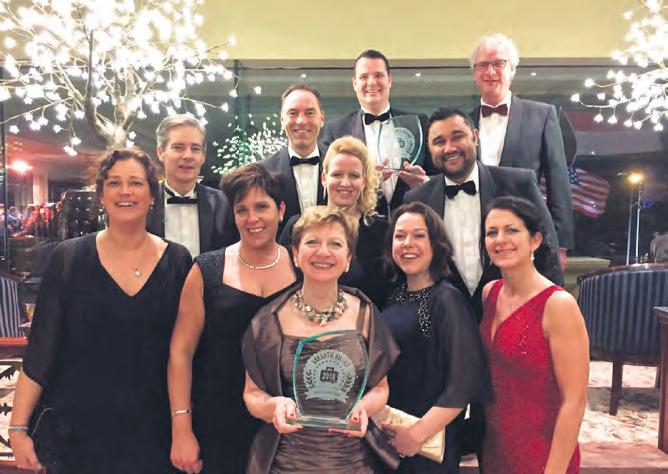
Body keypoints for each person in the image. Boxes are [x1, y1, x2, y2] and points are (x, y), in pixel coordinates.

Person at [9, 148, 192, 474]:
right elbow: (40, 352)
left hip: (155, 431)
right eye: (114, 183)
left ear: (152, 195)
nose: (125, 191)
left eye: (136, 183)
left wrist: (184, 425)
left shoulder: (178, 261)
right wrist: (18, 428)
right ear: (101, 195)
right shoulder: (68, 258)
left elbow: (186, 353)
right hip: (79, 434)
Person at [242, 206, 399, 473]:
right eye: (312, 242)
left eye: (335, 244)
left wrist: (364, 408)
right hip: (287, 464)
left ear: (348, 259)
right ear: (295, 254)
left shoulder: (366, 314)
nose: (323, 252)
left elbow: (380, 389)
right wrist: (274, 406)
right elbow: (252, 394)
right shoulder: (268, 320)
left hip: (353, 463)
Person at [168, 163, 296, 474]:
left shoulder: (302, 268)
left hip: (288, 423)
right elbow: (181, 352)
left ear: (280, 210)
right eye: (242, 210)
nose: (252, 219)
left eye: (261, 207)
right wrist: (181, 428)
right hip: (217, 421)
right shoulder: (206, 270)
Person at [404, 106, 563, 321]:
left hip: (515, 316)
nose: (449, 148)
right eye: (439, 141)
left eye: (457, 136)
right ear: (429, 149)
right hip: (445, 323)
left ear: (475, 137)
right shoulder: (416, 199)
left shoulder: (518, 183)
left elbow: (548, 254)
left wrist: (545, 313)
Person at [480, 196, 588, 473]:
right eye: (492, 232)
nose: (500, 240)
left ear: (535, 240)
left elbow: (574, 402)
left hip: (544, 453)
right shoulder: (490, 293)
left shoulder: (558, 305)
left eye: (511, 230)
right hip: (496, 448)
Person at [381, 202, 490, 473]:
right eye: (399, 236)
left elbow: (464, 383)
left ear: (436, 243)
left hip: (427, 444)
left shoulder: (446, 299)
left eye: (419, 235)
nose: (407, 243)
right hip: (393, 438)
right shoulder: (395, 296)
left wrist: (417, 434)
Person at [469, 34, 574, 265]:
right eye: (482, 65)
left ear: (512, 69)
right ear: (474, 73)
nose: (490, 72)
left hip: (526, 236)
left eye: (498, 63)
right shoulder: (464, 122)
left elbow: (558, 179)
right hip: (475, 239)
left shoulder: (542, 115)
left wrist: (560, 244)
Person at [279, 136, 390, 308]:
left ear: (364, 182)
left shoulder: (382, 232)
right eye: (337, 174)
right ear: (324, 178)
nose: (345, 183)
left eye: (354, 176)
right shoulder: (298, 226)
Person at [321, 49, 432, 214]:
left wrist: (425, 182)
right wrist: (367, 182)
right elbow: (329, 188)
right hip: (361, 225)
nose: (371, 82)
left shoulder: (418, 123)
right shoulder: (336, 130)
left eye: (378, 75)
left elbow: (439, 175)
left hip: (411, 221)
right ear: (354, 83)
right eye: (364, 77)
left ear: (389, 80)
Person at [148, 114, 236, 256]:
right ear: (160, 152)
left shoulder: (223, 203)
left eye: (195, 148)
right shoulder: (144, 202)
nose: (188, 156)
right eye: (178, 147)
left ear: (203, 156)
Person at [260, 84, 328, 234]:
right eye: (293, 113)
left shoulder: (339, 168)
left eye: (309, 113)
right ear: (282, 120)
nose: (301, 120)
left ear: (322, 119)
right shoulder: (262, 173)